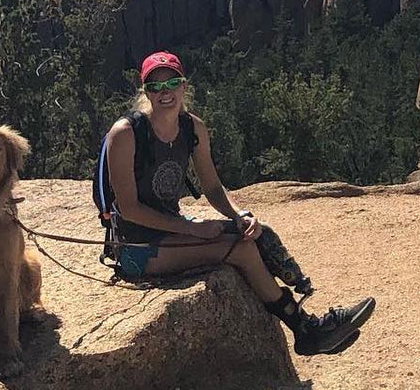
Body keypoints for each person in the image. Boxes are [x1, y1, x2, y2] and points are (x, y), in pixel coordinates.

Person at [100, 50, 375, 355]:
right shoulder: (126, 134)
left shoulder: (192, 129)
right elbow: (129, 209)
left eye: (172, 83)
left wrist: (239, 215)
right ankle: (305, 329)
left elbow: (212, 187)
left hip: (170, 234)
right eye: (156, 86)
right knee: (240, 249)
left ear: (184, 86)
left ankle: (305, 309)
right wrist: (191, 229)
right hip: (137, 249)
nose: (165, 93)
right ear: (146, 92)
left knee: (257, 234)